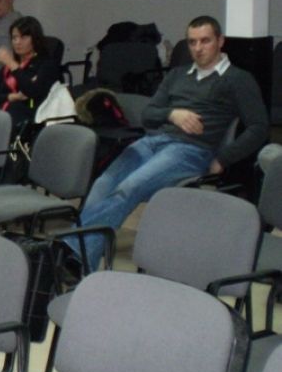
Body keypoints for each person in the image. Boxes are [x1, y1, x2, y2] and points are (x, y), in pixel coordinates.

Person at [69, 16, 268, 272]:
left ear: (220, 41)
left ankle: (72, 254)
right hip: (153, 142)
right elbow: (148, 115)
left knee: (128, 189)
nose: (198, 48)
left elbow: (259, 127)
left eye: (205, 41)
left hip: (190, 150)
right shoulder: (177, 75)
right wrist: (173, 114)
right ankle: (80, 256)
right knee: (102, 184)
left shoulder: (238, 79)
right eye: (192, 42)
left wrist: (223, 158)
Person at [0, 16, 59, 126]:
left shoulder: (45, 64)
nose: (17, 42)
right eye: (14, 38)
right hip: (1, 114)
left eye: (23, 37)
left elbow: (32, 92)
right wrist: (12, 97)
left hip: (28, 117)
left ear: (35, 39)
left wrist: (13, 65)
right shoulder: (8, 67)